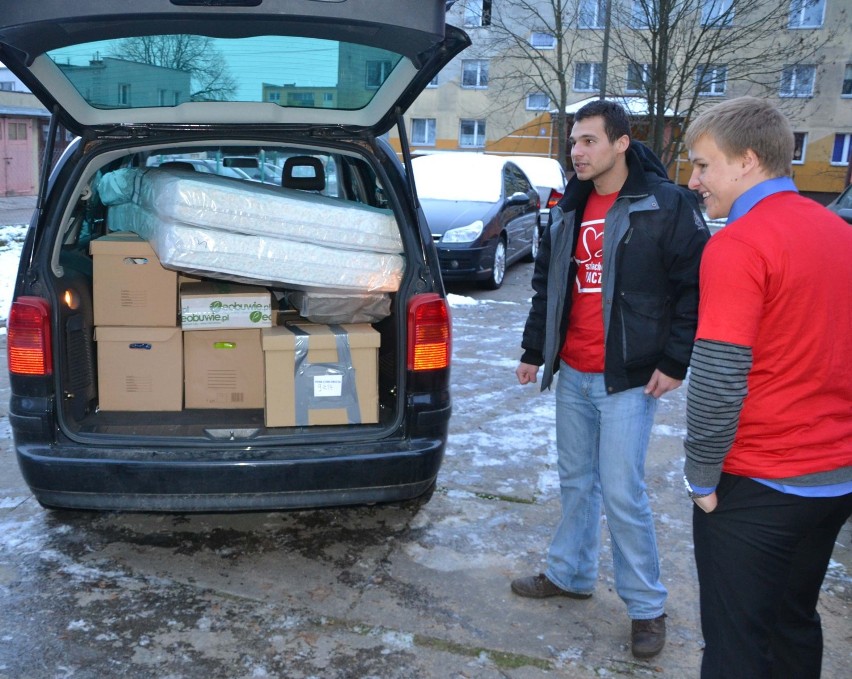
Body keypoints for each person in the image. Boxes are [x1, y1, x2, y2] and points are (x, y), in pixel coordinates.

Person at [512, 99, 709, 659]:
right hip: (573, 370)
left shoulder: (665, 204)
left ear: (622, 142)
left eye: (589, 141)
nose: (576, 151)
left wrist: (675, 361)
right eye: (573, 141)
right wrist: (535, 349)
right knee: (576, 481)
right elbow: (548, 286)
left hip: (628, 376)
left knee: (623, 492)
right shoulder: (567, 207)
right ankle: (570, 574)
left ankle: (647, 607)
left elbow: (695, 287)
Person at [682, 96, 852, 678]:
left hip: (760, 484)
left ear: (748, 159)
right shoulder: (837, 231)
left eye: (704, 164)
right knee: (792, 624)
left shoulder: (739, 243)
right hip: (834, 481)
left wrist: (701, 474)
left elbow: (717, 373)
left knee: (736, 648)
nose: (694, 178)